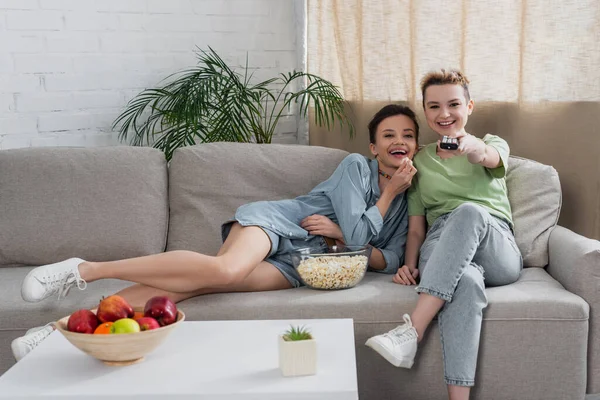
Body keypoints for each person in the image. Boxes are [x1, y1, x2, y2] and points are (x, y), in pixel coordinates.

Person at [12, 104, 420, 362]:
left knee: (199, 286)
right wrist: (385, 196)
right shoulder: (355, 167)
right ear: (373, 147)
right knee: (225, 270)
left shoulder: (413, 200)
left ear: (416, 146)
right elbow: (359, 233)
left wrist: (338, 237)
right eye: (389, 135)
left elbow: (390, 261)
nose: (398, 141)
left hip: (305, 264)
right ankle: (86, 268)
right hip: (278, 225)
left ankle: (54, 332)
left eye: (407, 135)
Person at [365, 70, 522, 400]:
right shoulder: (419, 161)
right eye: (434, 106)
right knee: (463, 281)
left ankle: (413, 330)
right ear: (426, 111)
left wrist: (472, 149)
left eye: (453, 104)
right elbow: (417, 228)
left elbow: (487, 157)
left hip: (496, 246)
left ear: (469, 106)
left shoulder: (491, 144)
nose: (444, 113)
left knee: (470, 211)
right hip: (441, 244)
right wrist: (409, 265)